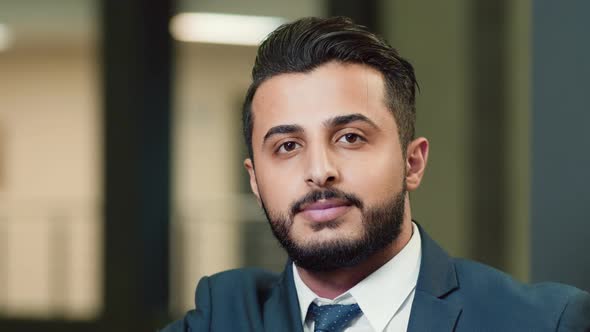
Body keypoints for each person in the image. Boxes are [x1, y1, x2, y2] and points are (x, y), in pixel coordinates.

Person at [162, 16, 590, 332]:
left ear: (412, 163)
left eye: (350, 137)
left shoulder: (546, 321)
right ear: (255, 182)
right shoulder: (223, 315)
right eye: (287, 146)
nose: (320, 171)